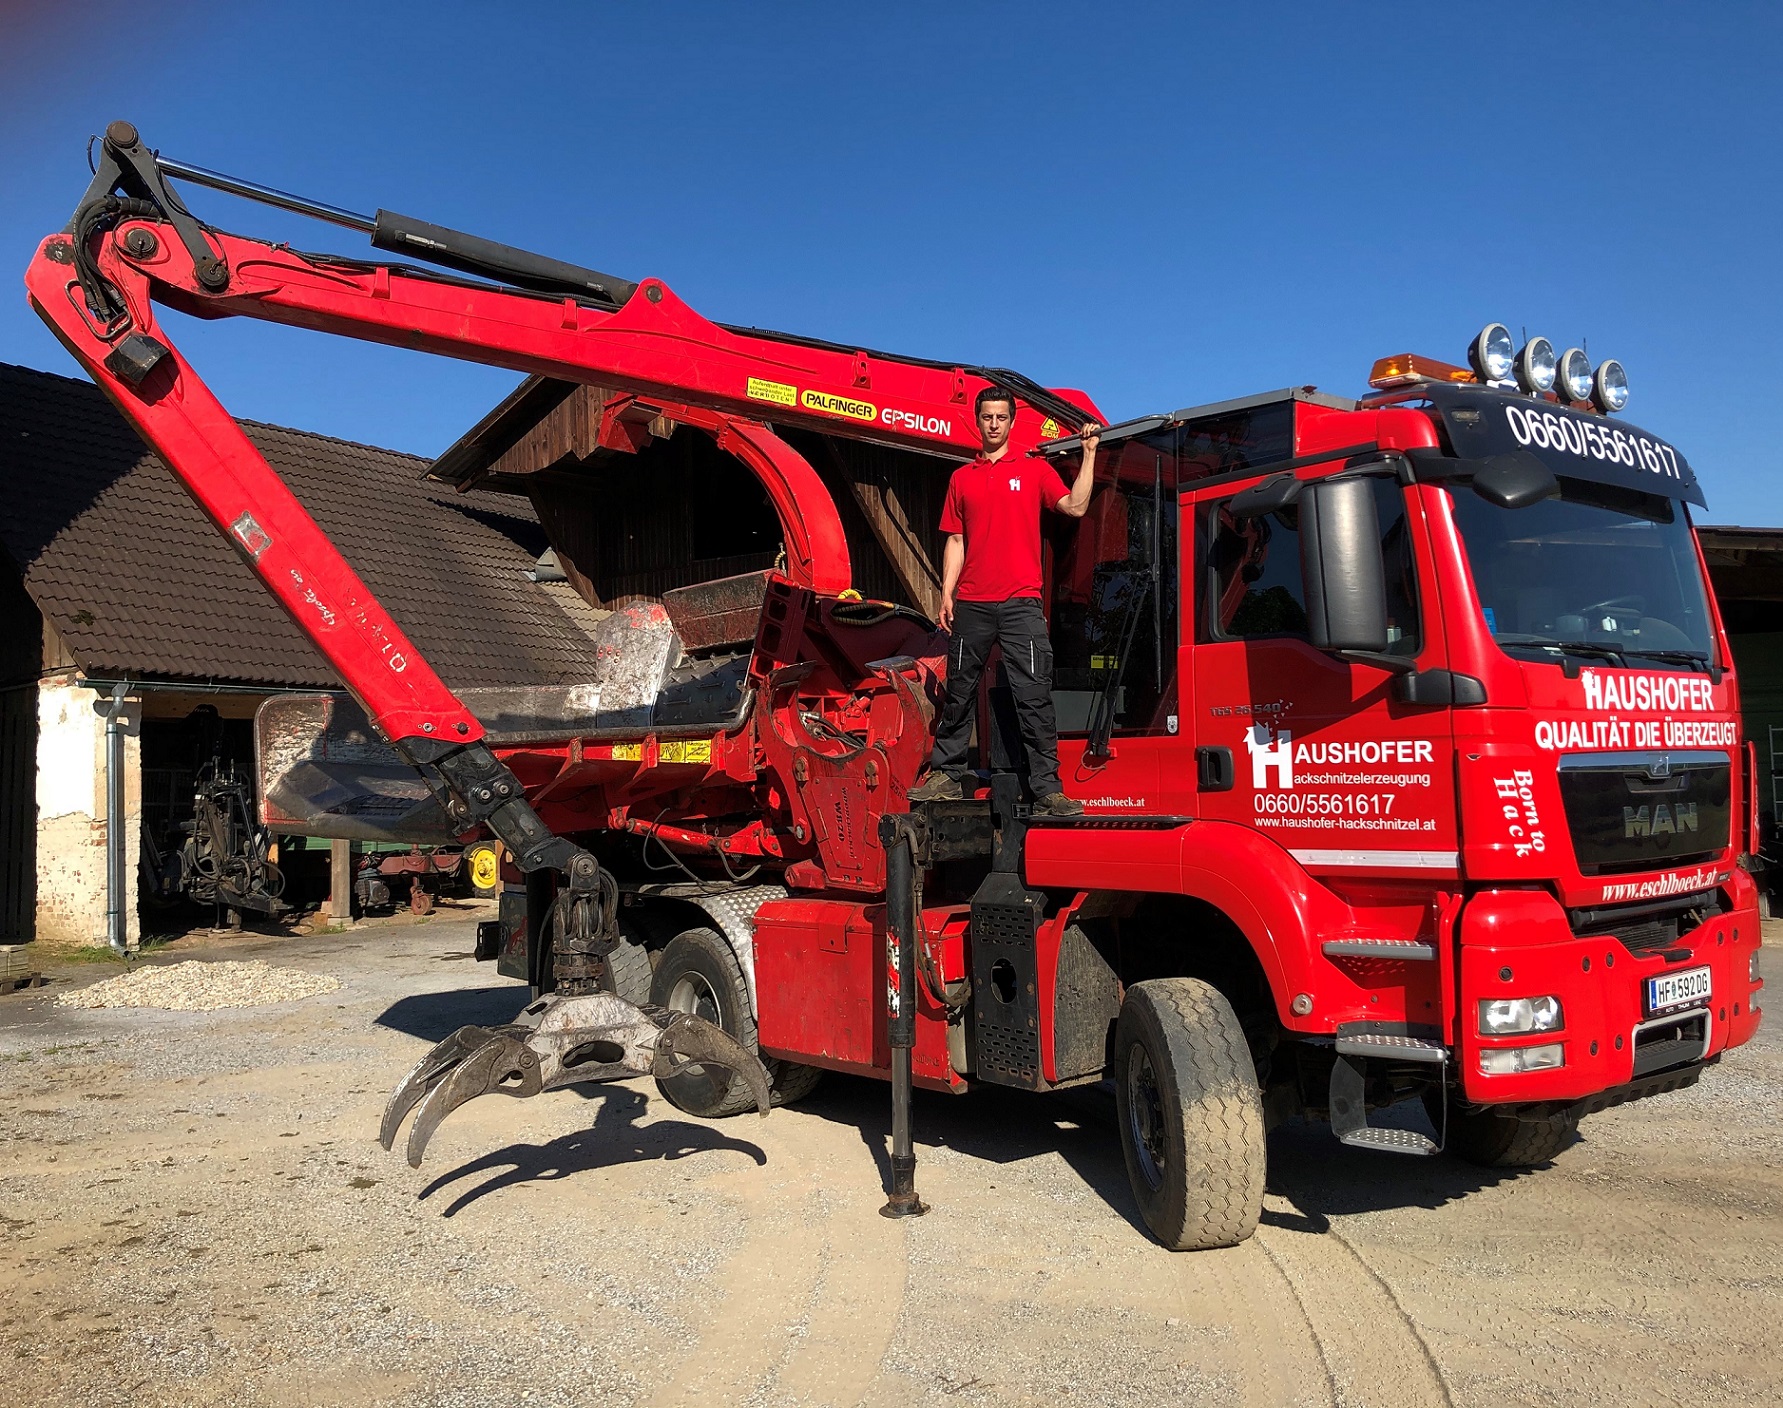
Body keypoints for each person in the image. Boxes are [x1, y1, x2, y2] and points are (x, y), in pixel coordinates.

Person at [908, 387, 1100, 817]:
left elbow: (1075, 505)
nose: (993, 425)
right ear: (977, 422)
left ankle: (1048, 788)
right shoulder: (962, 479)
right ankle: (947, 775)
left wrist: (1089, 454)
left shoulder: (1034, 471)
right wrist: (946, 592)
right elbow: (955, 540)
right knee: (959, 691)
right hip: (972, 602)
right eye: (987, 417)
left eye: (1001, 417)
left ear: (1012, 423)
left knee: (1033, 695)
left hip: (1021, 604)